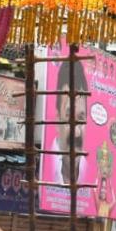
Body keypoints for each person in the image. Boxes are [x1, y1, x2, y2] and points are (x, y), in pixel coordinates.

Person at [43, 59, 88, 188]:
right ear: (57, 120)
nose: (77, 132)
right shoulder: (47, 167)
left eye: (81, 118)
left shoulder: (90, 174)